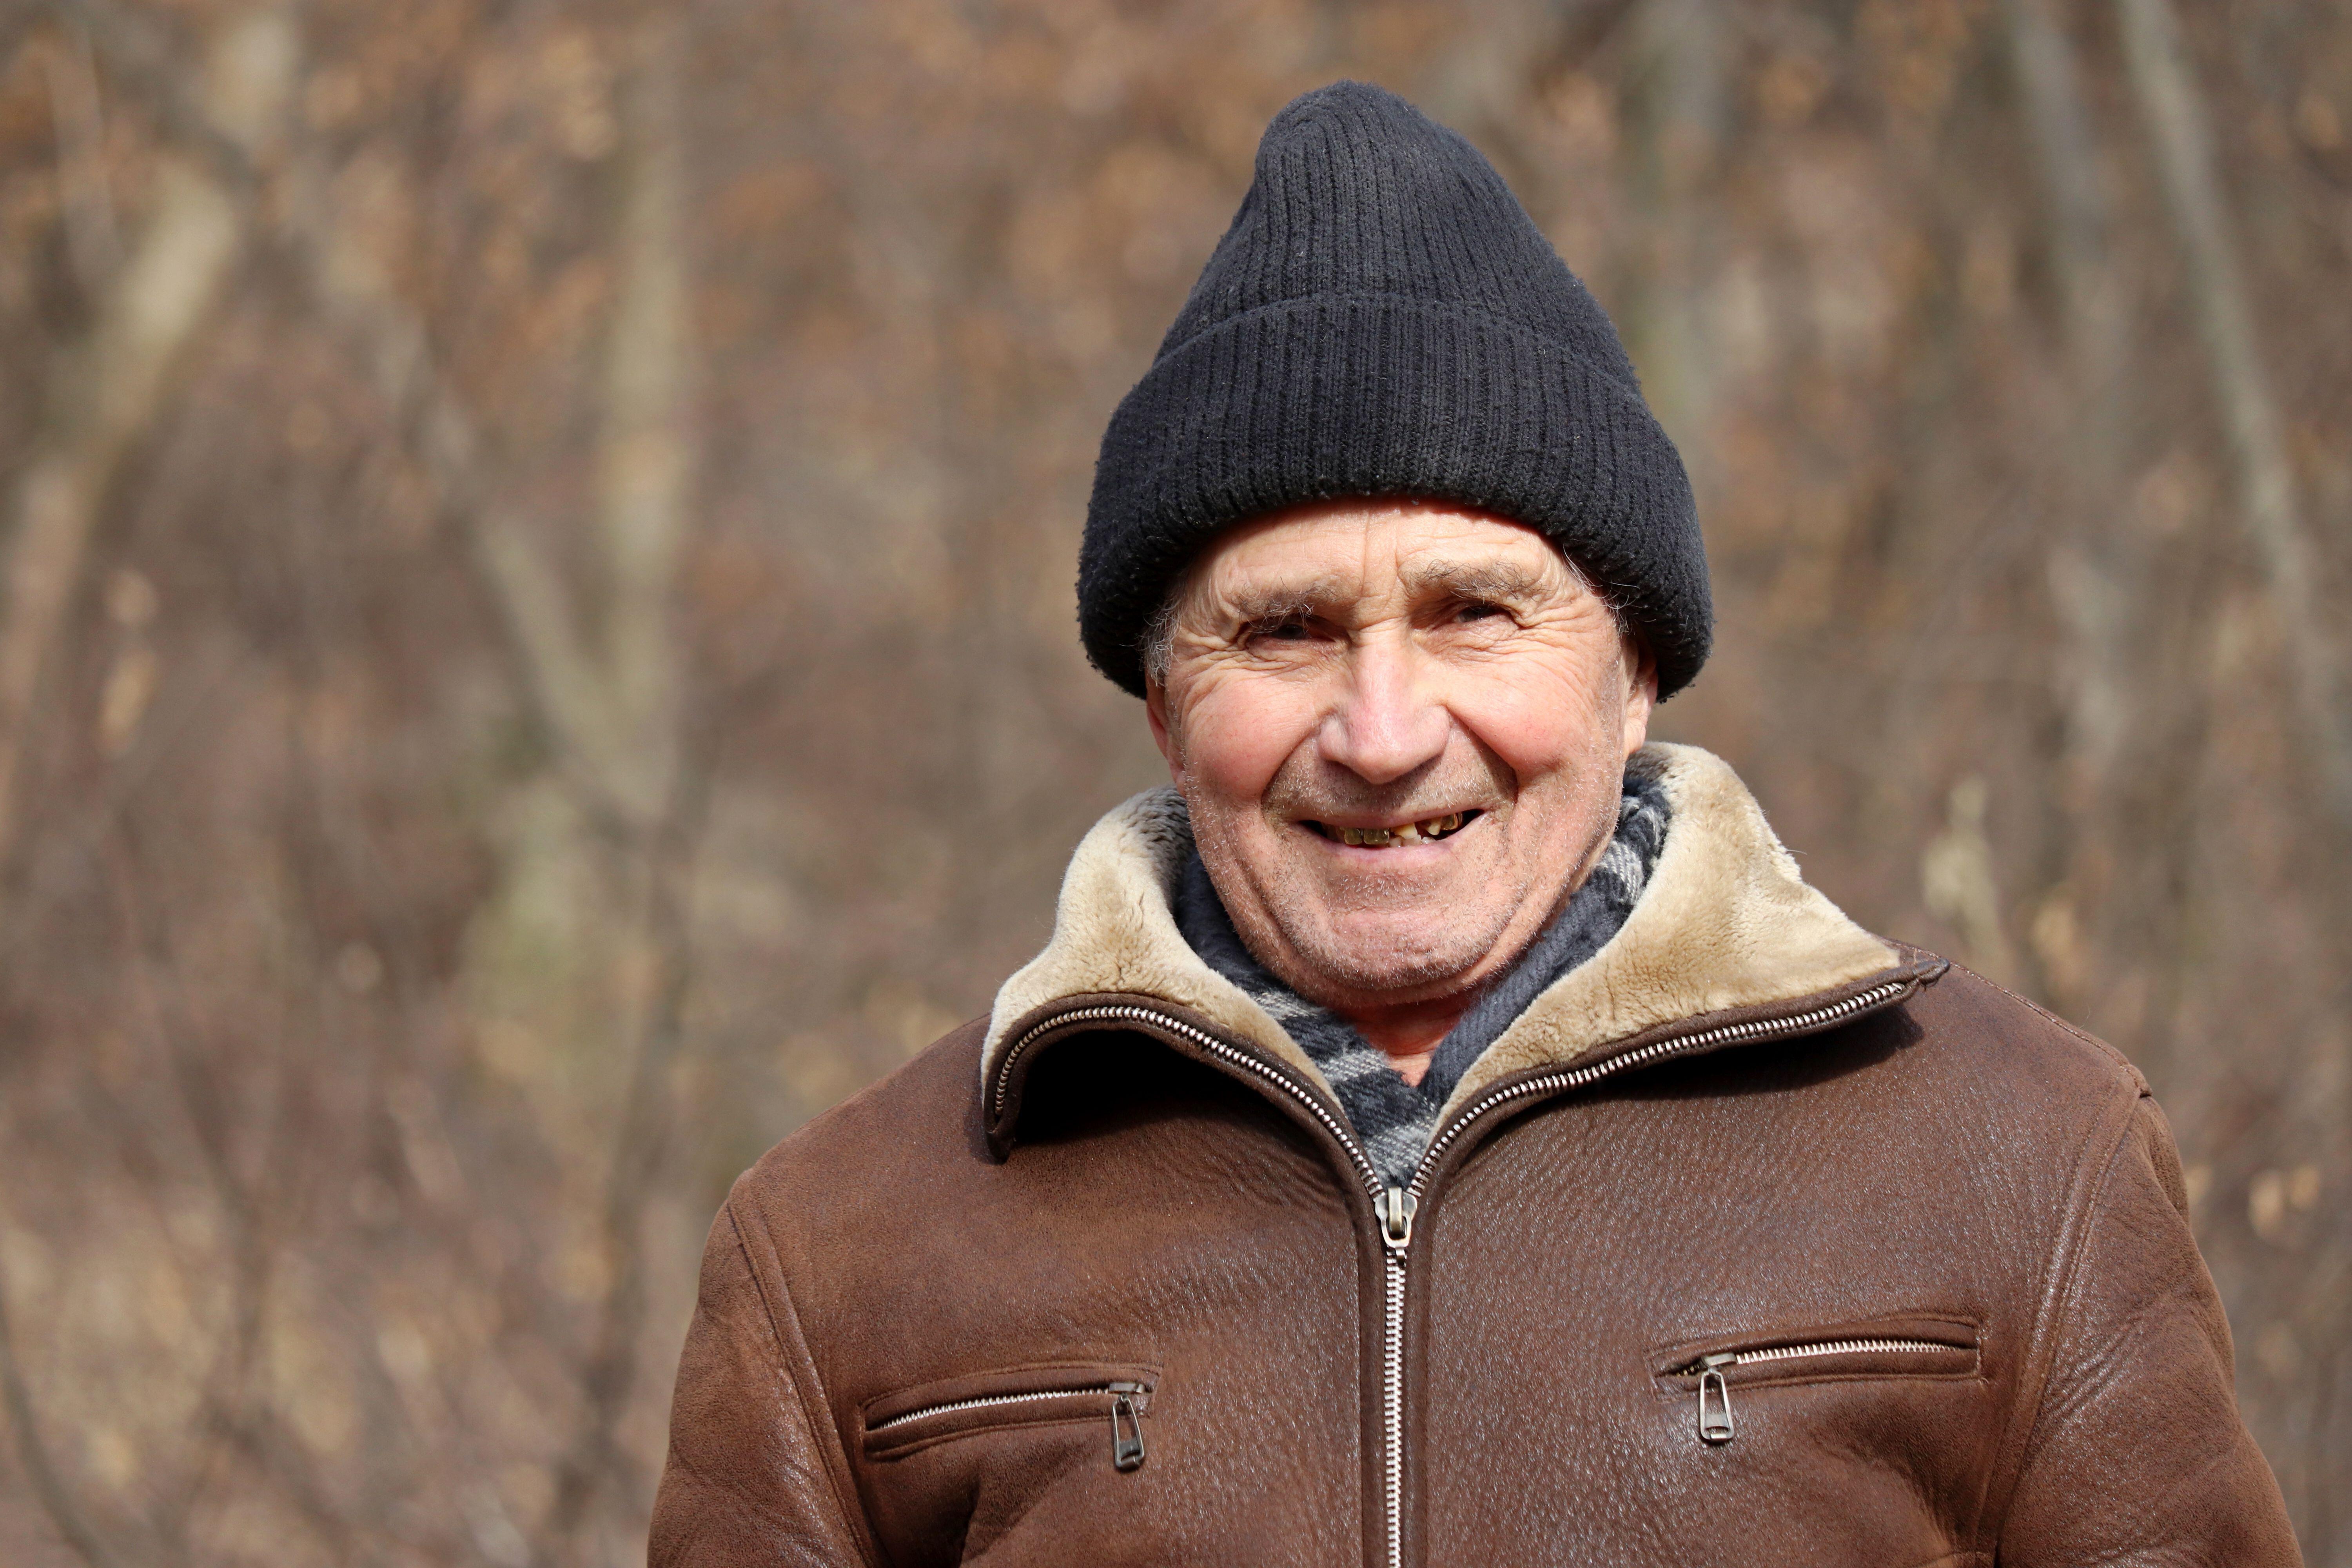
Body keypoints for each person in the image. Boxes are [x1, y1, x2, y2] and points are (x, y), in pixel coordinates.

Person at [649, 82, 2298, 1566]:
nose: (1382, 732)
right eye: (1285, 631)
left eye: (1474, 614)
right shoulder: (841, 1254)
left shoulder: (2025, 1162)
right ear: (1164, 709)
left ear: (1634, 670)